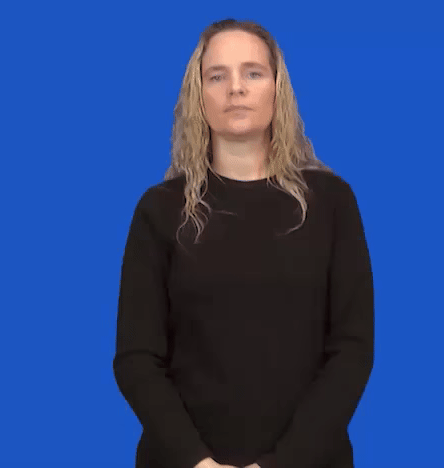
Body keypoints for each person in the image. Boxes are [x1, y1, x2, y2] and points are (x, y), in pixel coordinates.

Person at [113, 17, 374, 468]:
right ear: (199, 94)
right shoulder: (159, 210)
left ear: (277, 87)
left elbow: (351, 350)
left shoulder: (332, 202)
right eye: (217, 76)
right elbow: (137, 358)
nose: (236, 88)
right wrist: (198, 462)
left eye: (252, 72)